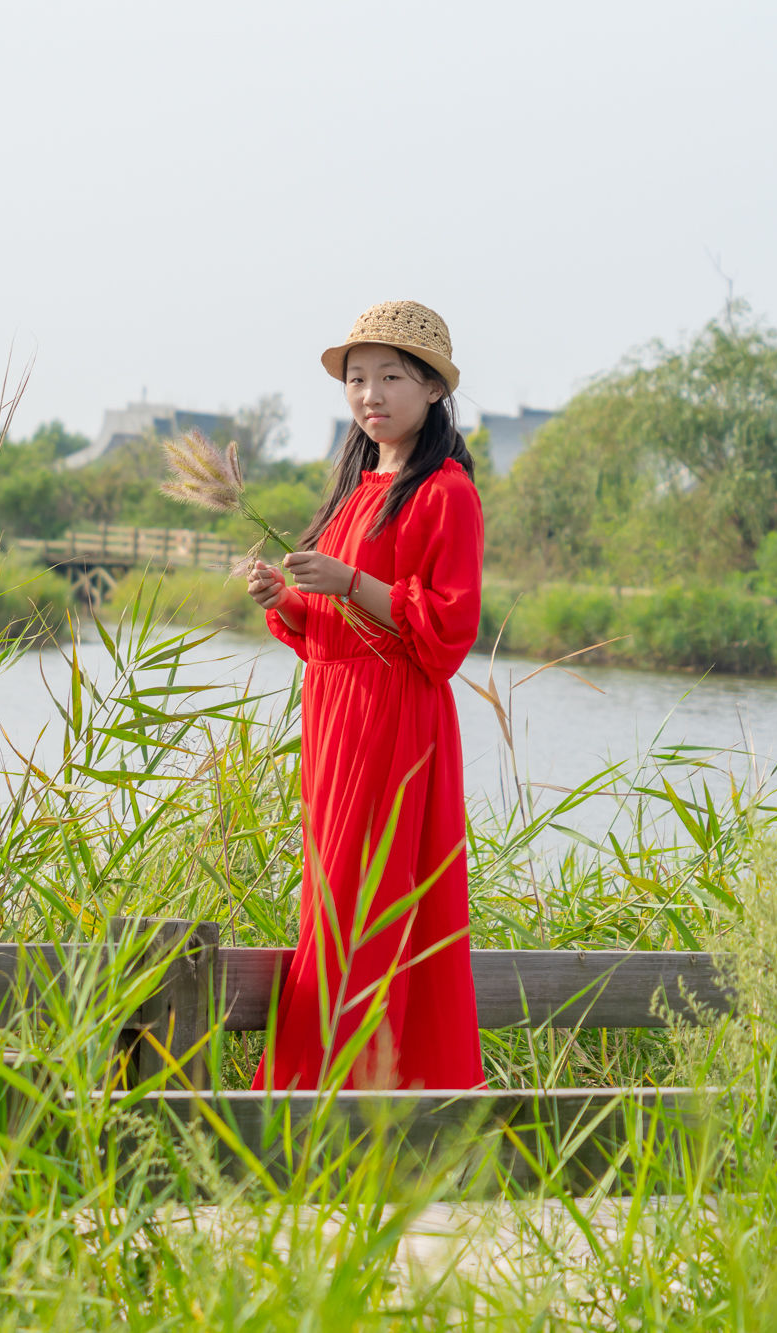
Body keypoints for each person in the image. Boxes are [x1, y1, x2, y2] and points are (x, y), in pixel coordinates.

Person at [244, 300, 486, 1091]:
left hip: (395, 721)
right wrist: (283, 597)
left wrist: (349, 580)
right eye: (357, 378)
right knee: (332, 903)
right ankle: (334, 1103)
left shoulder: (445, 492)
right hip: (336, 716)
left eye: (391, 377)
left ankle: (342, 1103)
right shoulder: (354, 491)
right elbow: (326, 633)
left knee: (365, 905)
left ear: (432, 390)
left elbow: (447, 631)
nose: (370, 394)